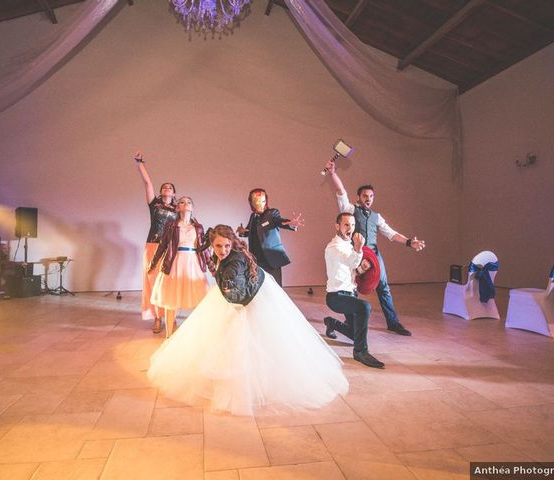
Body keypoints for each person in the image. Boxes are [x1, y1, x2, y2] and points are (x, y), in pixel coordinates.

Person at [147, 225, 348, 416]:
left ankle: (251, 384)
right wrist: (217, 271)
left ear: (233, 243)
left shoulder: (235, 264)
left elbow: (236, 293)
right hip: (246, 291)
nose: (223, 250)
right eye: (218, 246)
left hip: (250, 297)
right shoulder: (226, 257)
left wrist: (223, 280)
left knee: (251, 340)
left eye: (227, 245)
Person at [324, 160, 425, 336]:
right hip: (356, 252)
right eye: (364, 196)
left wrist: (410, 242)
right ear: (359, 198)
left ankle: (393, 323)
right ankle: (351, 323)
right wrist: (333, 173)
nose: (368, 199)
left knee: (383, 287)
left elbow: (391, 233)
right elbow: (341, 192)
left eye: (371, 196)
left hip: (373, 255)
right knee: (352, 287)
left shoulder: (376, 217)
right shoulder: (350, 209)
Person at [324, 213, 385, 368]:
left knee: (354, 334)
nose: (350, 228)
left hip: (350, 294)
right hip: (336, 297)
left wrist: (361, 269)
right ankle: (360, 352)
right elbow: (351, 260)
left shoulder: (349, 245)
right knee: (364, 307)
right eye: (346, 225)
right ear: (337, 226)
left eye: (352, 225)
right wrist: (358, 250)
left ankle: (331, 322)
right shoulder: (333, 247)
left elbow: (352, 268)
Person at [148, 196, 212, 338]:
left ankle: (199, 333)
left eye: (189, 202)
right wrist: (153, 263)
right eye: (182, 202)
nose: (186, 204)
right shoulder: (171, 225)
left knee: (198, 298)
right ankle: (169, 334)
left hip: (193, 263)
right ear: (177, 207)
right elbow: (163, 246)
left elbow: (204, 249)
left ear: (192, 207)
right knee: (171, 298)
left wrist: (212, 268)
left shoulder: (198, 227)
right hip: (174, 262)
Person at [134, 151, 177, 334]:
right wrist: (140, 163)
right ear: (161, 192)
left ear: (174, 193)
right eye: (164, 187)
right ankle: (157, 318)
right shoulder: (155, 205)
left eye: (170, 187)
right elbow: (147, 183)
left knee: (169, 282)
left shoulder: (178, 208)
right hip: (152, 246)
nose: (166, 188)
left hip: (170, 248)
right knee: (152, 281)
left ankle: (171, 316)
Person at [236, 188, 303, 286]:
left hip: (271, 259)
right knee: (259, 287)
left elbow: (279, 221)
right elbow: (250, 232)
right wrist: (242, 232)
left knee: (275, 287)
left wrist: (292, 224)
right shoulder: (253, 216)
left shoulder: (271, 214)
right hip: (256, 259)